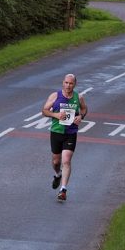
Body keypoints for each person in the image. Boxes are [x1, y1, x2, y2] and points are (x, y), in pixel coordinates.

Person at [42, 73, 88, 202]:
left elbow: (84, 109)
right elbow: (44, 111)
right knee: (56, 162)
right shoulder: (55, 96)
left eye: (71, 83)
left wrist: (81, 116)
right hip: (56, 132)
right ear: (63, 83)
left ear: (75, 84)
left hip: (71, 133)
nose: (68, 85)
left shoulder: (79, 97)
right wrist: (56, 115)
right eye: (66, 83)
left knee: (66, 161)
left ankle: (63, 190)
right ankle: (57, 174)